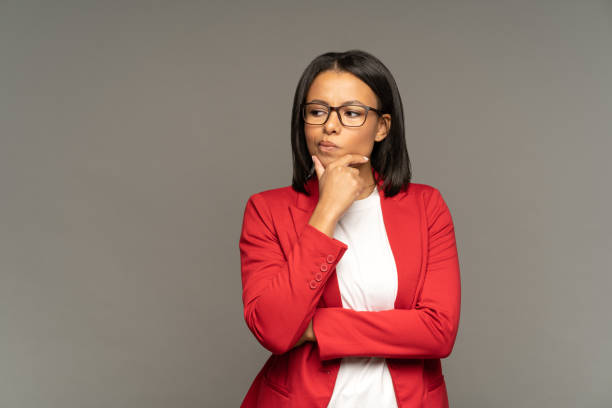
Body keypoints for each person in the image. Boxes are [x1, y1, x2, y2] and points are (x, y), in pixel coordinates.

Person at [238, 49, 461, 407]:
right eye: (317, 111)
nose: (330, 125)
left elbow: (438, 332)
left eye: (352, 113)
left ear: (382, 127)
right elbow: (275, 330)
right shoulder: (267, 210)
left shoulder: (426, 206)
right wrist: (326, 212)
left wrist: (316, 328)